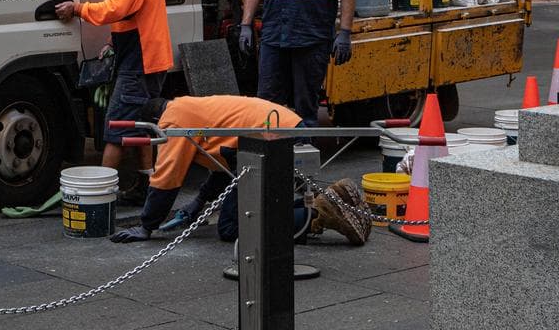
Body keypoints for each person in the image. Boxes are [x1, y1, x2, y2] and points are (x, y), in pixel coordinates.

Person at [107, 95, 371, 245]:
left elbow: (167, 176)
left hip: (278, 138)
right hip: (283, 131)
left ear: (155, 122)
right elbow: (225, 165)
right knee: (246, 214)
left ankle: (320, 213)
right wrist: (199, 202)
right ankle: (333, 202)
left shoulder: (173, 121)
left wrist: (146, 226)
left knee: (233, 227)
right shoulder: (188, 107)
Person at [55, 0, 171, 203]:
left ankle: (99, 194)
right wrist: (113, 41)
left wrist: (78, 9)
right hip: (144, 57)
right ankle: (147, 185)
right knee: (141, 124)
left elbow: (115, 9)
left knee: (116, 126)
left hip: (140, 60)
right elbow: (128, 14)